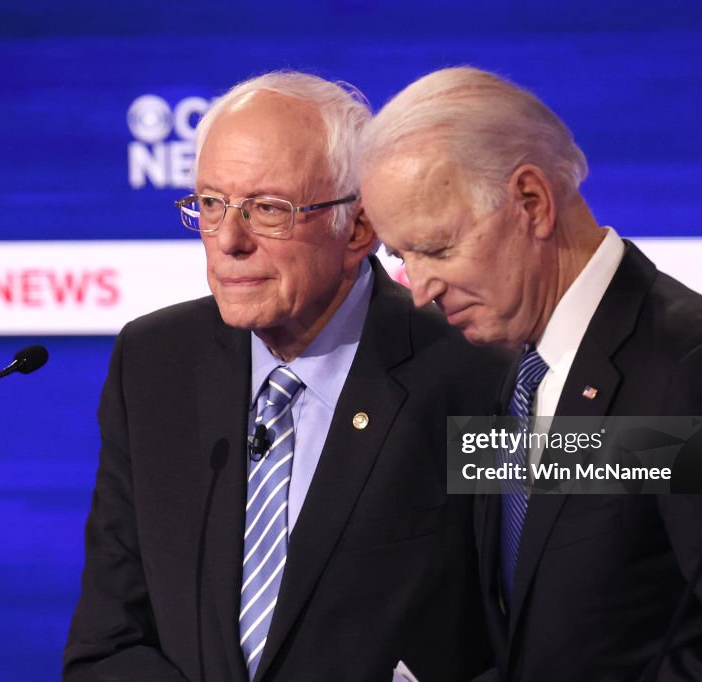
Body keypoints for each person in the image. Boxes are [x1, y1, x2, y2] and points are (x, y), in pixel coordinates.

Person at [359, 66, 702, 681]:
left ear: (531, 203)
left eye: (436, 249)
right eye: (401, 256)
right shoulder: (506, 367)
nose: (421, 289)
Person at [63, 71, 511, 682]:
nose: (228, 240)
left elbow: (539, 641)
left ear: (358, 227)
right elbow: (106, 646)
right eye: (211, 204)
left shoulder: (476, 374)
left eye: (268, 210)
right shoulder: (154, 363)